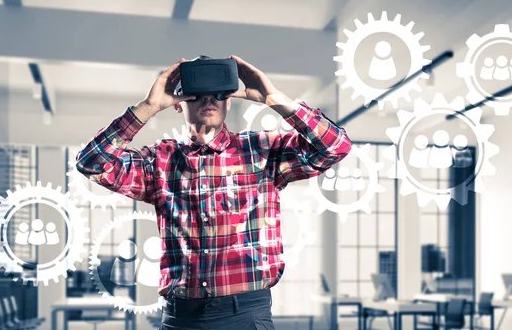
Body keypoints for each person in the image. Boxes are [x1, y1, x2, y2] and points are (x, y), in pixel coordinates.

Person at [75, 55, 352, 329]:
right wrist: (147, 108)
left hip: (246, 315)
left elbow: (335, 147)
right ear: (179, 103)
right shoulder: (159, 161)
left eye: (218, 93)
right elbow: (90, 163)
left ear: (228, 101)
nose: (208, 100)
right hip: (181, 317)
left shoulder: (263, 151)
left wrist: (275, 98)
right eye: (197, 94)